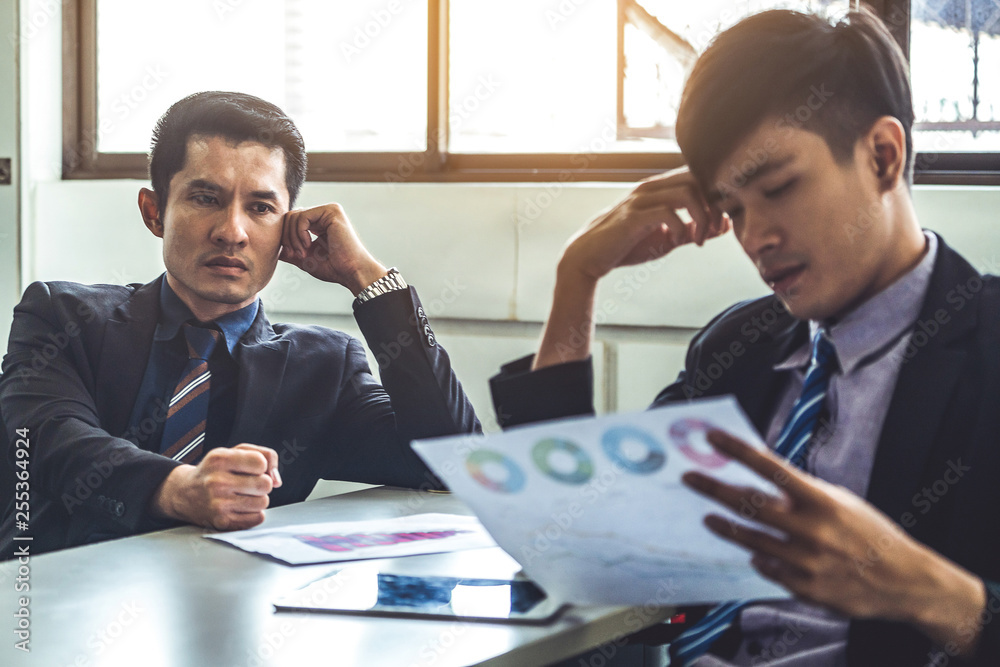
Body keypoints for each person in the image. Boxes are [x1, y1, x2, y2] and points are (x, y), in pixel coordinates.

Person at [490, 9, 1000, 666]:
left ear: (882, 155)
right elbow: (573, 550)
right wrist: (578, 275)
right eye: (730, 208)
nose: (754, 236)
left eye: (779, 188)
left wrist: (926, 590)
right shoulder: (740, 346)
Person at [0, 91, 479, 558]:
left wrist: (368, 279)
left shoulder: (323, 368)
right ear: (154, 212)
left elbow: (454, 465)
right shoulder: (62, 317)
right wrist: (178, 488)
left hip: (232, 616)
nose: (232, 231)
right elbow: (45, 442)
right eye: (206, 198)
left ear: (289, 225)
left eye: (261, 207)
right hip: (45, 607)